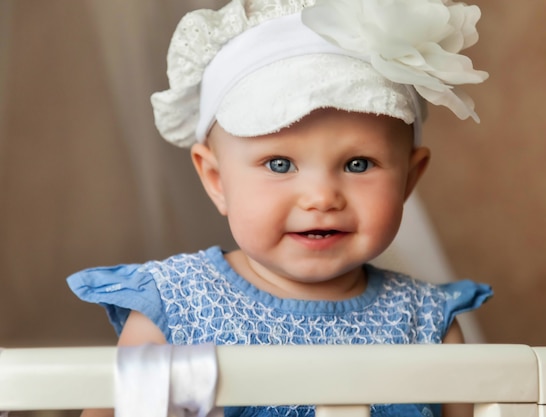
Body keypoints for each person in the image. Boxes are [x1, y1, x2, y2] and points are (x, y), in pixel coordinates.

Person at [67, 0, 492, 416]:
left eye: (358, 164)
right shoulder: (175, 307)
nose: (322, 198)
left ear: (408, 181)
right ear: (216, 180)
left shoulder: (428, 322)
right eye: (280, 164)